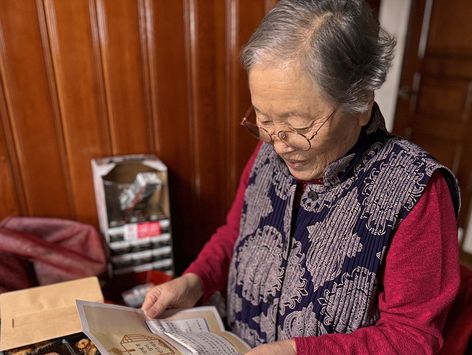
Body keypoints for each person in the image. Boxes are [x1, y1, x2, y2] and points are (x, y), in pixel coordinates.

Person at [142, 0, 461, 354]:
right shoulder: (272, 147)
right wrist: (196, 280)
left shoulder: (417, 190)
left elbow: (412, 338)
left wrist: (296, 351)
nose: (279, 144)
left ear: (361, 102)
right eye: (264, 119)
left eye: (299, 125)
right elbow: (237, 233)